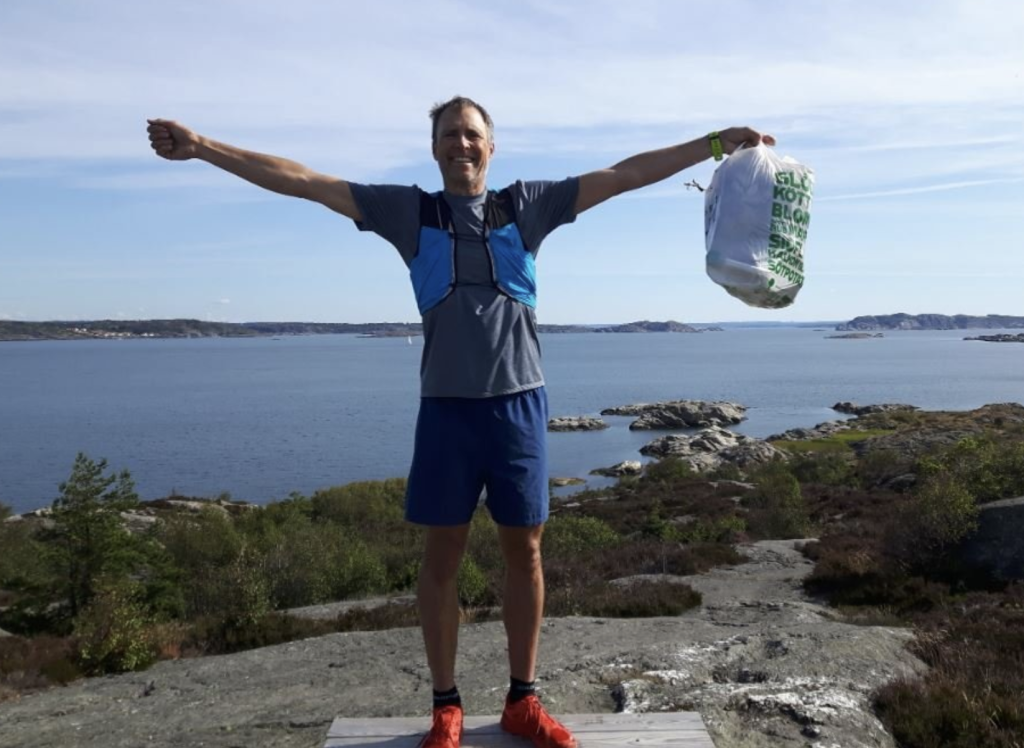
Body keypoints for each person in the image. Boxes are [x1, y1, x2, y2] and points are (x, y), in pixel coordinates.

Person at [147, 98, 774, 748]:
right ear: (436, 148)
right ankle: (446, 704)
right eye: (450, 136)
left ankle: (522, 701)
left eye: (472, 135)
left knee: (525, 552)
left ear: (491, 147)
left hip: (519, 407)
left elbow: (624, 174)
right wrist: (204, 147)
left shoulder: (527, 204)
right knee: (441, 556)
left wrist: (711, 146)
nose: (461, 145)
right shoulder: (409, 213)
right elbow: (304, 181)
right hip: (446, 410)